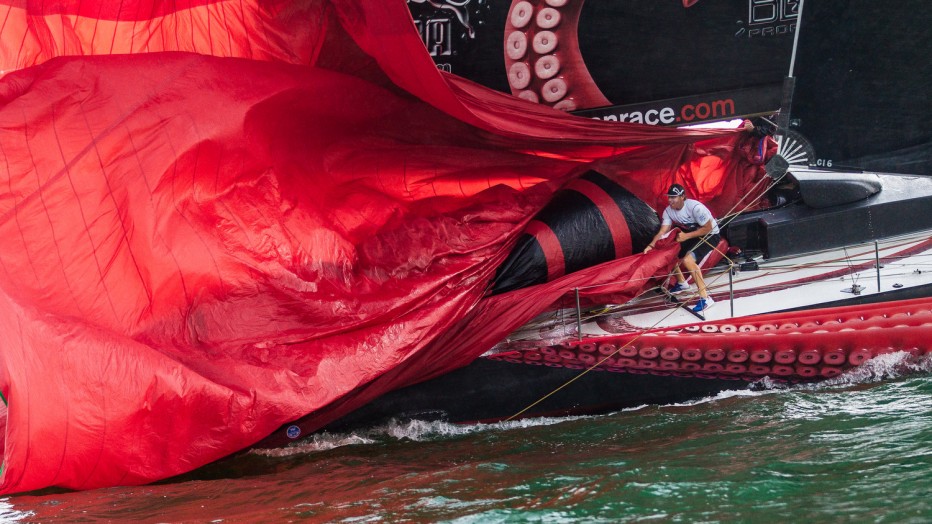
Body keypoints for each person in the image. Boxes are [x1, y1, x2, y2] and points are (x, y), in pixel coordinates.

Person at [643, 183, 721, 312]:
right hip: (691, 235)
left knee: (688, 260)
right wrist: (651, 245)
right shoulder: (668, 210)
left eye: (674, 197)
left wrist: (686, 236)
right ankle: (682, 283)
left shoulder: (695, 208)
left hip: (710, 235)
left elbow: (708, 228)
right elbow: (663, 231)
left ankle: (706, 298)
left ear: (683, 197)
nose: (670, 200)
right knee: (670, 252)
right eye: (669, 197)